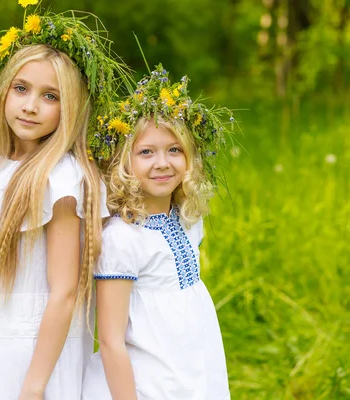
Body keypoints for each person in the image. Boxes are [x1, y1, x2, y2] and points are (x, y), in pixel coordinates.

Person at [0, 3, 132, 399]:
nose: (30, 105)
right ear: (4, 90)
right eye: (21, 88)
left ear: (70, 107)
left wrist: (35, 385)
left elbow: (65, 292)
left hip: (29, 348)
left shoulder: (61, 179)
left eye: (50, 96)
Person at [82, 65, 234, 400]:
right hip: (146, 381)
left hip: (192, 366)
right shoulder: (122, 238)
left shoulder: (188, 219)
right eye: (146, 152)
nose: (162, 162)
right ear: (124, 162)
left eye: (174, 150)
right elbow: (110, 339)